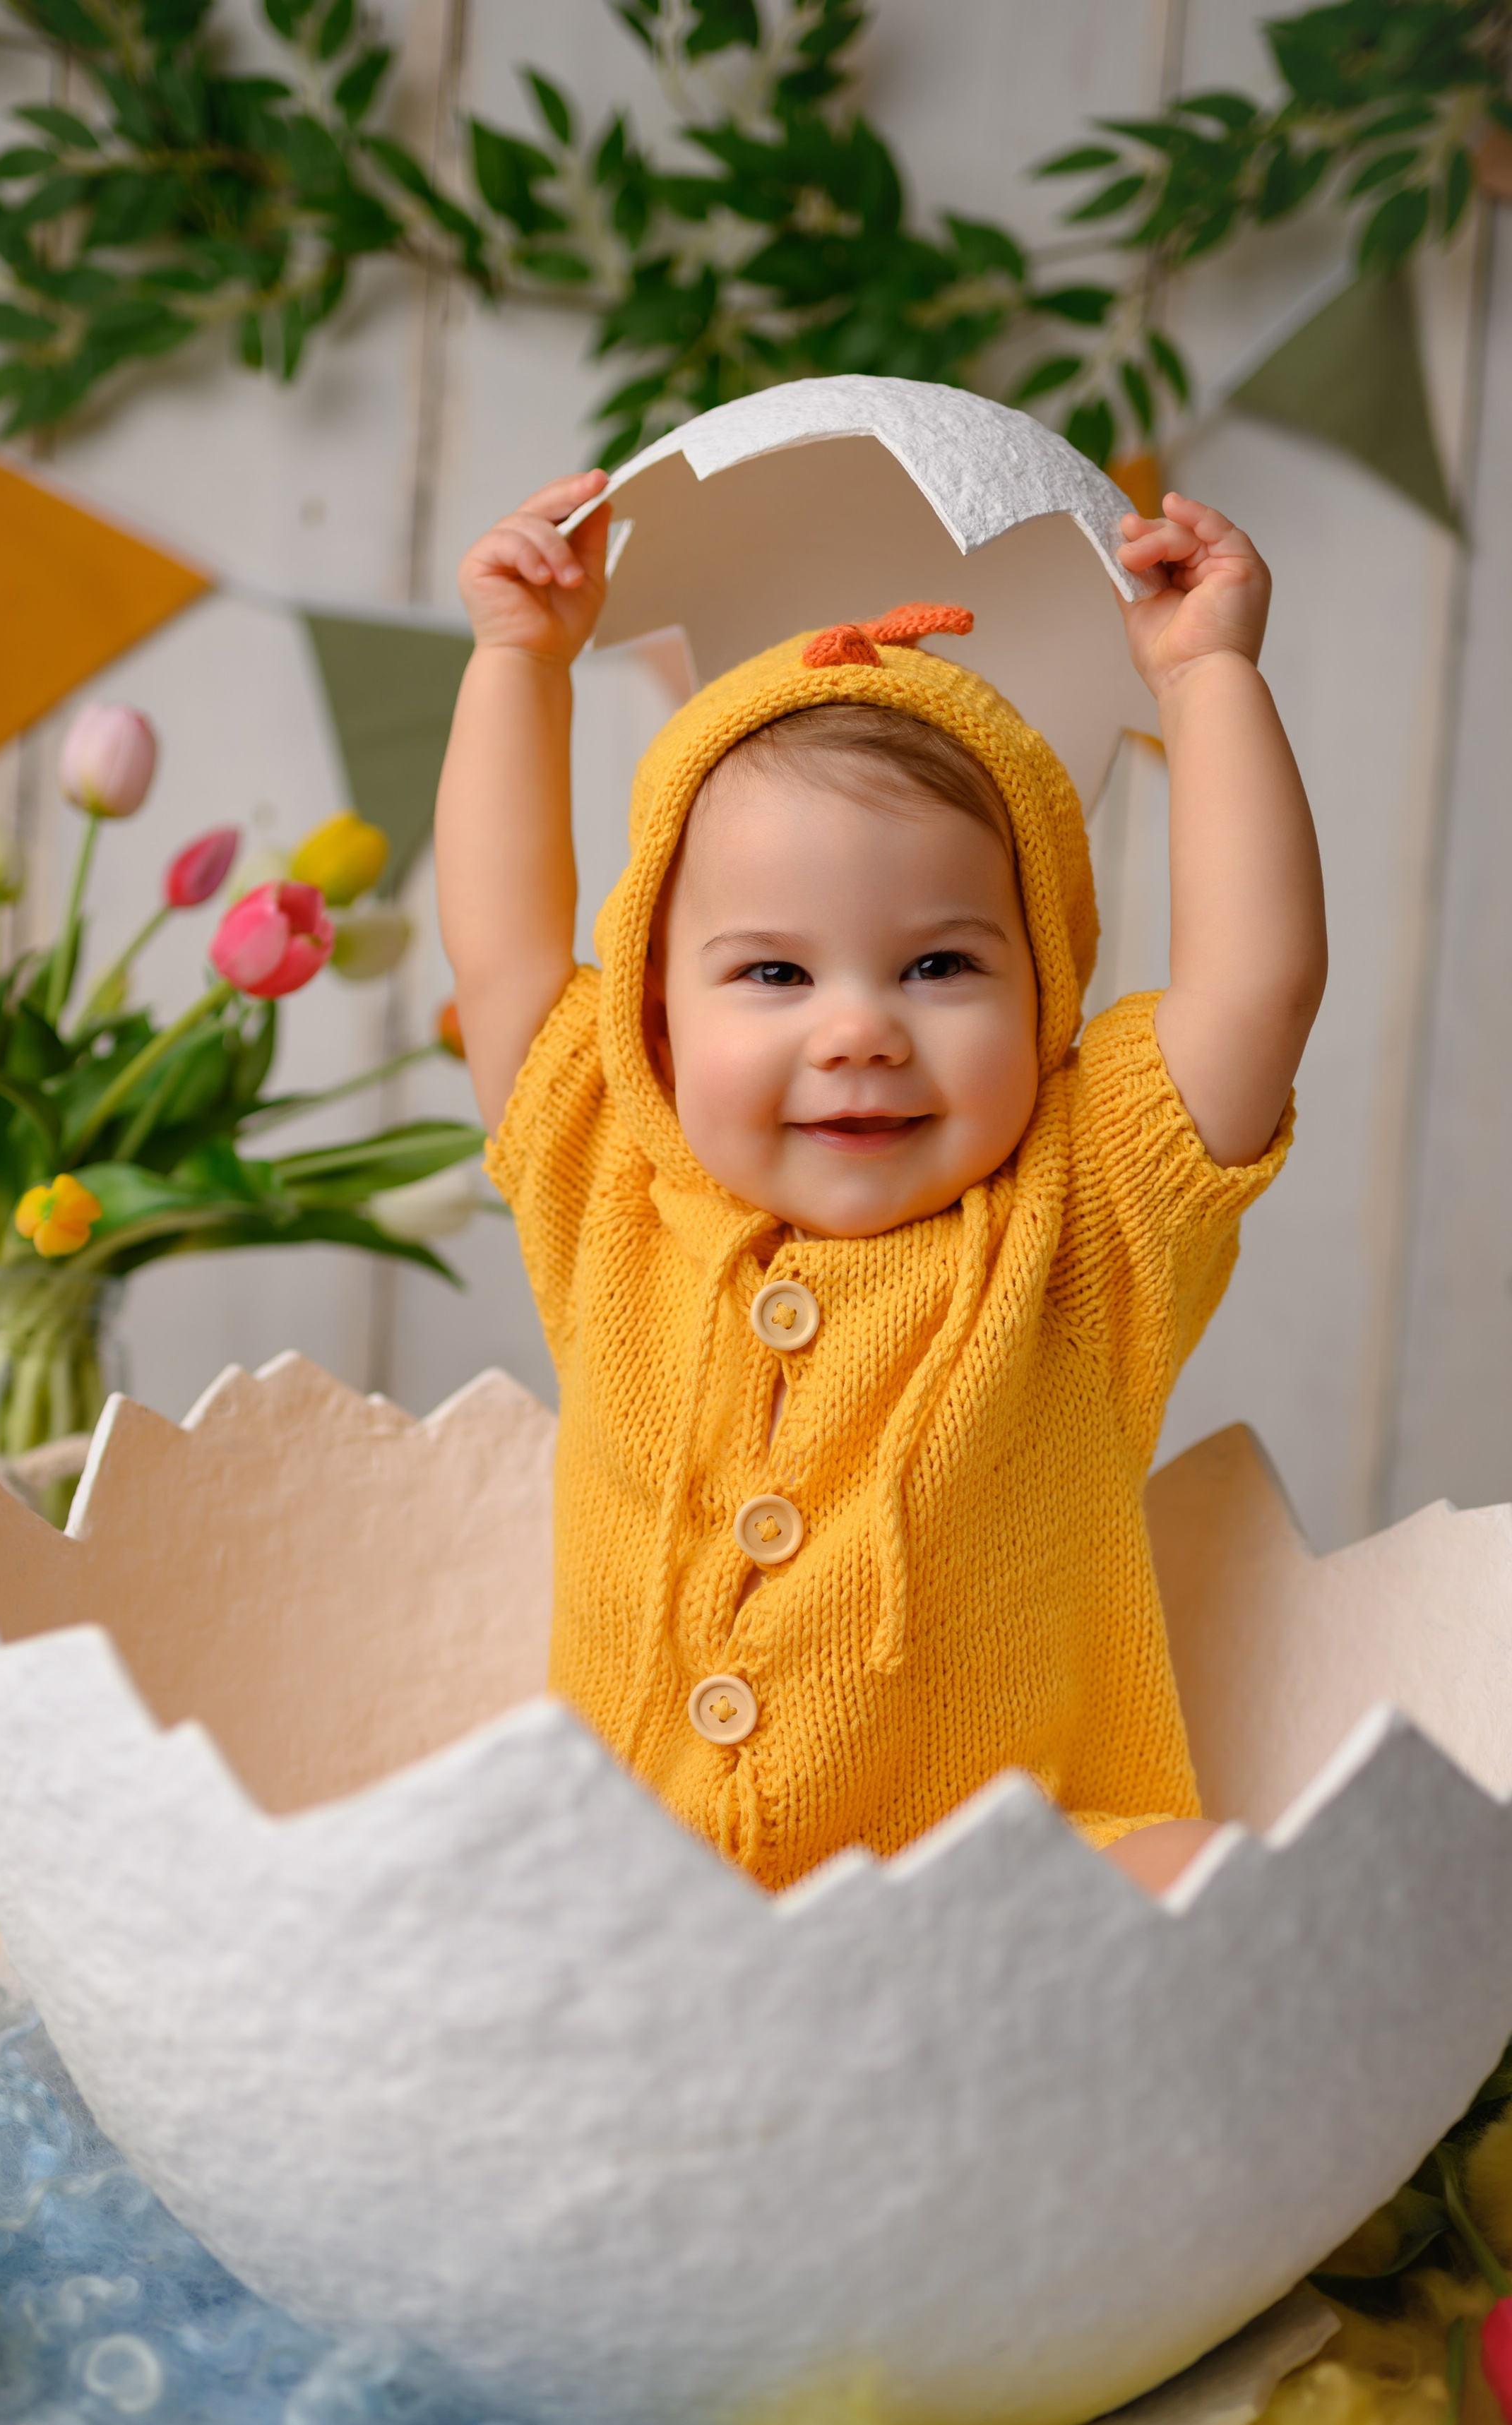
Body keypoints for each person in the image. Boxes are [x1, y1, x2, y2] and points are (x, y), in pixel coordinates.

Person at [434, 461, 1324, 1897]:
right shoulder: (612, 1174)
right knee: (417, 1893)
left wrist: (1205, 678)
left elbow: (1258, 988)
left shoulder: (1087, 1210)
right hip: (640, 1896)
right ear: (656, 1015)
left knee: (1210, 1883)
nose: (857, 1032)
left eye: (940, 964)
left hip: (999, 1899)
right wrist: (517, 664)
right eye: (773, 974)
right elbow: (499, 955)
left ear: (1044, 985)